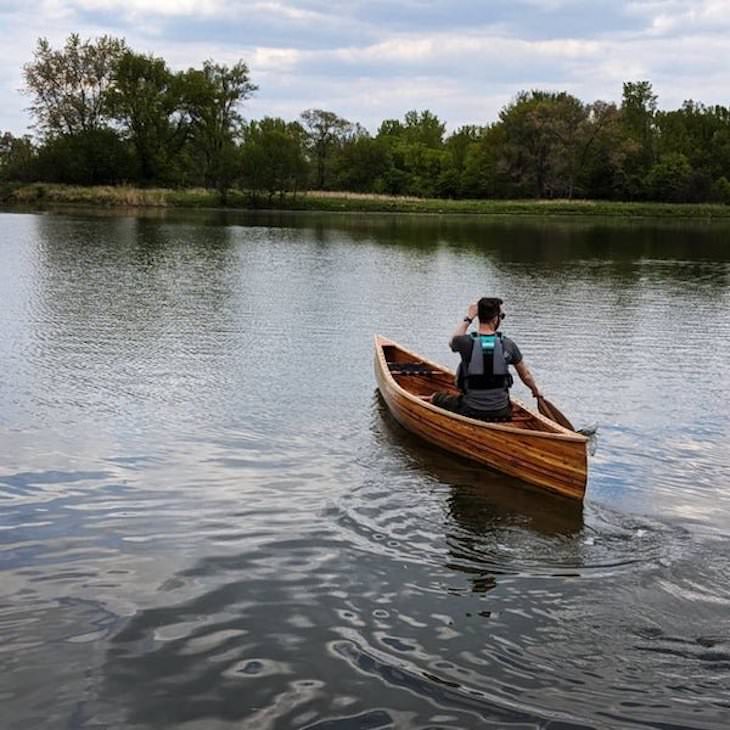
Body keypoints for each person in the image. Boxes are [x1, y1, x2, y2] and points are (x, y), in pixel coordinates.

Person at [431, 297, 543, 422]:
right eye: (502, 316)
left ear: (479, 316)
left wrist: (469, 318)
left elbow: (452, 342)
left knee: (437, 397)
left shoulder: (464, 342)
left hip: (469, 409)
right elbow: (526, 375)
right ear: (495, 318)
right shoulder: (508, 344)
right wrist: (535, 391)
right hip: (502, 410)